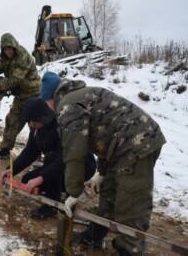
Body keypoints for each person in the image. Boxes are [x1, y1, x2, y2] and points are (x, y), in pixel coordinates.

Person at [41, 74, 166, 255]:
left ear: (50, 99)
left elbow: (75, 153)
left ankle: (129, 249)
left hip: (138, 143)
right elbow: (106, 134)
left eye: (46, 103)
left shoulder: (68, 106)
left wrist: (73, 192)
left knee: (130, 201)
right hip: (123, 144)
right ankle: (95, 234)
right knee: (109, 191)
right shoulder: (80, 95)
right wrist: (103, 172)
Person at [1, 96, 96, 219]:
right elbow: (30, 152)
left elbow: (62, 159)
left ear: (42, 116)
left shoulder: (61, 126)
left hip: (81, 166)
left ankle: (52, 204)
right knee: (27, 180)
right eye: (29, 121)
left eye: (33, 121)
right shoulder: (37, 129)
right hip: (58, 166)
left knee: (50, 158)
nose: (31, 124)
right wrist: (11, 169)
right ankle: (61, 187)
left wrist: (42, 177)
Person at [0, 33, 41, 158]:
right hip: (20, 95)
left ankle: (38, 153)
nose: (8, 51)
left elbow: (15, 79)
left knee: (35, 125)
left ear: (14, 47)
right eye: (5, 49)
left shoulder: (23, 56)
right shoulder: (5, 59)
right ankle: (4, 150)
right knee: (11, 120)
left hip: (33, 95)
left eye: (10, 48)